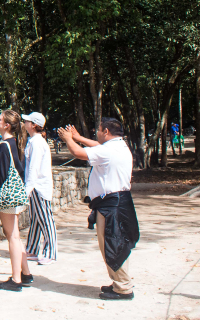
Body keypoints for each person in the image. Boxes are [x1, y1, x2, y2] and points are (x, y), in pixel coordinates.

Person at [57, 118, 140, 300]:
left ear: (107, 132)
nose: (97, 133)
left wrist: (69, 139)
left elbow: (78, 153)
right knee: (113, 243)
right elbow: (97, 146)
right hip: (115, 203)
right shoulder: (119, 146)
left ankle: (123, 288)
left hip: (112, 206)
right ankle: (118, 282)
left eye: (100, 130)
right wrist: (79, 137)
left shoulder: (109, 151)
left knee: (113, 244)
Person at [0, 110, 33, 292]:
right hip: (16, 195)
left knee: (12, 237)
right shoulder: (15, 143)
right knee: (16, 236)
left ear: (6, 125)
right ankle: (25, 273)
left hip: (7, 197)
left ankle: (16, 280)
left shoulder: (4, 145)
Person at [22, 112, 57, 265]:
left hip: (39, 187)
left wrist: (27, 188)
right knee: (36, 219)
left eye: (27, 121)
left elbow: (33, 168)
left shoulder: (37, 142)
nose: (25, 122)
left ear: (34, 125)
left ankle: (51, 252)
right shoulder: (33, 141)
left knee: (45, 219)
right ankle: (33, 248)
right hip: (36, 186)